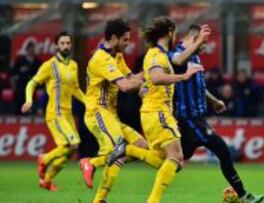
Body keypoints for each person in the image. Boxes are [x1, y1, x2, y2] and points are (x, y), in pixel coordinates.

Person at [108, 16, 202, 203]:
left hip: (155, 113)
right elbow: (157, 77)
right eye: (174, 32)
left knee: (164, 161)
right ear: (169, 32)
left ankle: (128, 150)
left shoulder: (160, 54)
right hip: (157, 112)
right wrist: (184, 77)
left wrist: (198, 41)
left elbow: (174, 62)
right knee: (176, 158)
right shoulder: (156, 55)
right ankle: (152, 201)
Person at [168, 24, 264, 203]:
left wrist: (214, 101)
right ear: (194, 38)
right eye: (203, 42)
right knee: (222, 150)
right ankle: (243, 195)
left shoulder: (195, 57)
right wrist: (198, 42)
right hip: (189, 119)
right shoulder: (175, 53)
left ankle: (128, 155)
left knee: (174, 161)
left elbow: (199, 87)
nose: (204, 47)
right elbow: (178, 61)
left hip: (197, 119)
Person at [80, 19, 163, 203]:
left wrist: (154, 71)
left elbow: (131, 77)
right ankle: (94, 179)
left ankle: (94, 168)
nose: (128, 43)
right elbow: (125, 86)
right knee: (118, 149)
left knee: (141, 147)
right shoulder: (101, 59)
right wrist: (145, 83)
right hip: (97, 113)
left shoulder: (116, 56)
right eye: (125, 39)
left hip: (111, 115)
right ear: (114, 38)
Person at [21, 31, 85, 191]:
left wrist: (89, 103)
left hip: (68, 114)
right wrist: (29, 100)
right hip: (55, 114)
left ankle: (47, 181)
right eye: (62, 43)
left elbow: (75, 89)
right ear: (57, 45)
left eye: (68, 43)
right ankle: (44, 158)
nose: (66, 46)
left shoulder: (73, 65)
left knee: (70, 152)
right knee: (74, 144)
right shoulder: (49, 65)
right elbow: (32, 83)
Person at [12, 41, 42, 114]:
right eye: (29, 49)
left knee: (31, 102)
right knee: (20, 99)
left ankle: (31, 116)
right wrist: (20, 70)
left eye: (32, 49)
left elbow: (41, 74)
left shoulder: (38, 61)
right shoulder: (20, 60)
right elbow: (13, 72)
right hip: (21, 86)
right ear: (26, 50)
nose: (31, 50)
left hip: (33, 86)